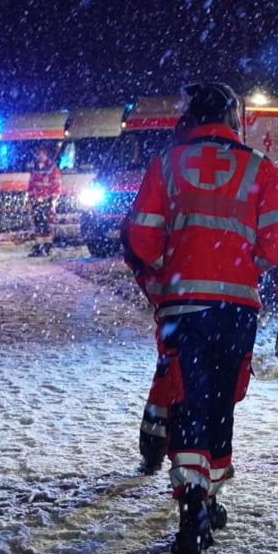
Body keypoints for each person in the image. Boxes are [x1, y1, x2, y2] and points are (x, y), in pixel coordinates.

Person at [126, 83, 278, 554]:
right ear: (234, 119)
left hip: (184, 306)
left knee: (187, 403)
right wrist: (246, 264)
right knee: (223, 404)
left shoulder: (166, 164)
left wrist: (175, 261)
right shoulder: (259, 167)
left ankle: (192, 507)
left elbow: (142, 238)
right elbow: (276, 239)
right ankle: (212, 494)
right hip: (238, 307)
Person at [122, 112, 198, 475]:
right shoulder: (177, 174)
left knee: (171, 371)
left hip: (176, 294)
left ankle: (158, 447)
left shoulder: (169, 171)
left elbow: (136, 235)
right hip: (189, 294)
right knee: (182, 376)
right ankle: (188, 458)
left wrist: (157, 282)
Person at [26, 145, 62, 257]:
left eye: (40, 154)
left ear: (45, 154)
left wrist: (53, 200)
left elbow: (56, 185)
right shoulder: (35, 168)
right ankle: (39, 246)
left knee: (46, 224)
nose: (38, 156)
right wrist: (29, 199)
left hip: (47, 200)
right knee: (37, 224)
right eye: (38, 154)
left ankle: (46, 246)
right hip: (37, 201)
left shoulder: (52, 168)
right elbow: (31, 185)